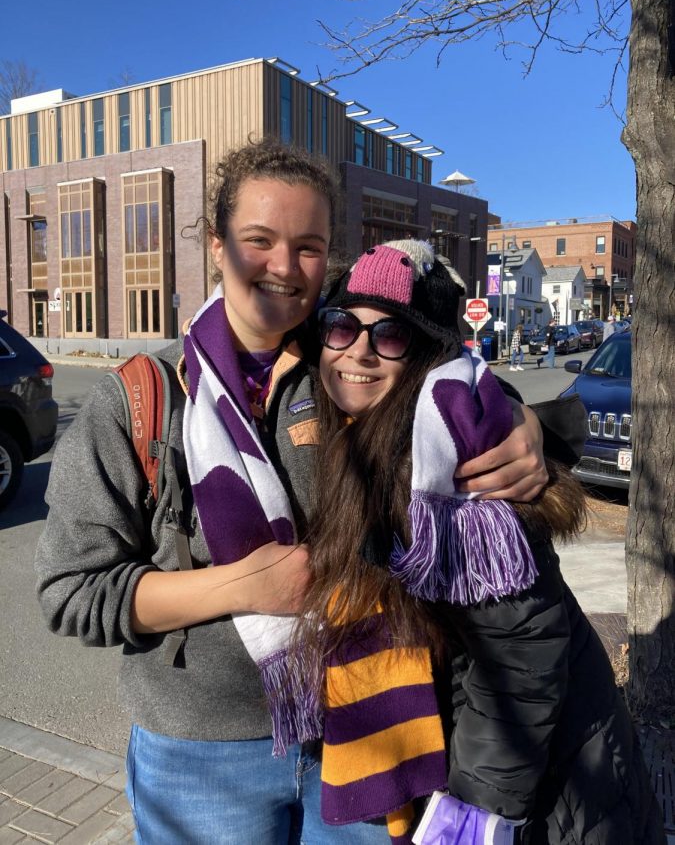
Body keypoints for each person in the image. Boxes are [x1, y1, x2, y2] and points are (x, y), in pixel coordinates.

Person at [34, 142, 550, 845]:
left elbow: (447, 388)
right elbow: (72, 592)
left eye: (307, 246)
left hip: (370, 727)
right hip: (201, 756)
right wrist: (236, 587)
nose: (282, 266)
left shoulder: (345, 362)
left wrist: (523, 419)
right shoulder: (137, 400)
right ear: (217, 247)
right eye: (258, 241)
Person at [298, 240, 663, 845]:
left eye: (389, 336)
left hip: (552, 789)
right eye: (341, 327)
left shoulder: (452, 473)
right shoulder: (360, 440)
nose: (357, 350)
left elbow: (521, 658)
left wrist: (471, 820)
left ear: (426, 356)